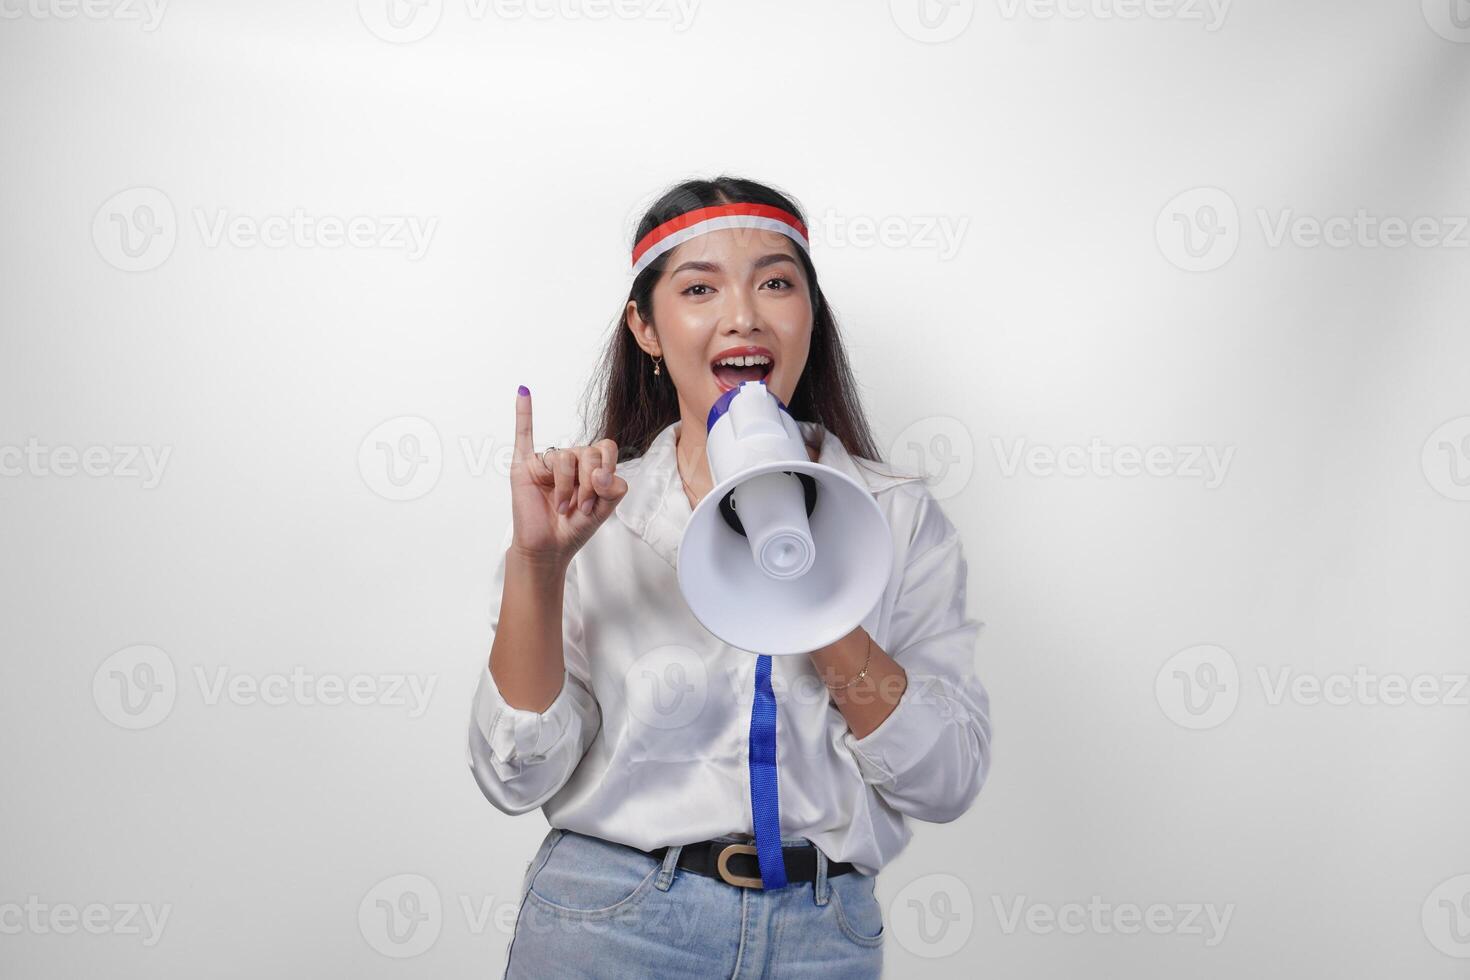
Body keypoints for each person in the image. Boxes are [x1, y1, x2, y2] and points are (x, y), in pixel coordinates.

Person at [468, 176, 992, 979]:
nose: (743, 315)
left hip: (824, 938)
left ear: (811, 316)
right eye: (699, 288)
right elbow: (516, 776)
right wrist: (539, 566)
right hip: (614, 925)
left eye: (777, 282)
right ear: (646, 328)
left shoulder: (894, 518)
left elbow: (945, 778)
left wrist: (812, 590)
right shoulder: (594, 517)